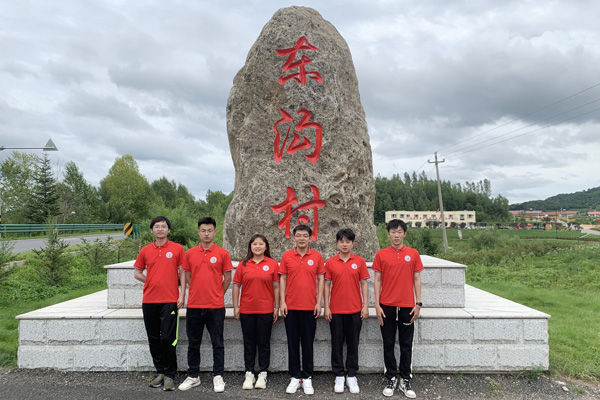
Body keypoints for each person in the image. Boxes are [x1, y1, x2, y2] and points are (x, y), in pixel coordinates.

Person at [178, 217, 233, 393]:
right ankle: (193, 376)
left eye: (210, 230)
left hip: (215, 306)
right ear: (198, 232)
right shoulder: (190, 253)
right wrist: (194, 290)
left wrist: (217, 293)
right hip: (194, 305)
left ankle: (218, 376)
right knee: (193, 343)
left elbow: (228, 278)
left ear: (215, 232)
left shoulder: (222, 253)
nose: (206, 233)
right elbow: (186, 275)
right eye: (203, 230)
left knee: (218, 343)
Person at [133, 216, 186, 391]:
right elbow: (137, 273)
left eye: (163, 226)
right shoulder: (145, 250)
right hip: (149, 301)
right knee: (154, 338)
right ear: (152, 230)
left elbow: (183, 273)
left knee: (169, 339)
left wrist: (182, 295)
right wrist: (151, 281)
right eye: (157, 226)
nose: (160, 229)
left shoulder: (177, 249)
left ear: (168, 230)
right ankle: (160, 372)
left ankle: (170, 374)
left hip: (170, 301)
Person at [374, 219, 423, 399]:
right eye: (393, 232)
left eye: (400, 232)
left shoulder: (413, 254)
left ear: (404, 234)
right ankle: (390, 378)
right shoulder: (381, 254)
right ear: (388, 234)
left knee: (406, 343)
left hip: (407, 305)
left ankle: (405, 379)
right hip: (386, 304)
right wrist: (376, 304)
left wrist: (418, 303)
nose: (396, 235)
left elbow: (417, 279)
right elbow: (377, 280)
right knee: (388, 342)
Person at [279, 224, 325, 395]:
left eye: (305, 235)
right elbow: (282, 279)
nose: (301, 238)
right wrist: (282, 302)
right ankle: (294, 377)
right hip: (290, 307)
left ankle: (307, 377)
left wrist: (319, 302)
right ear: (293, 238)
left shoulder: (317, 256)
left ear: (310, 238)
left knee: (307, 343)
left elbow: (321, 279)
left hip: (309, 307)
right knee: (292, 343)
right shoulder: (287, 256)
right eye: (298, 235)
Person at [324, 228, 369, 394]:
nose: (344, 244)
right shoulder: (330, 262)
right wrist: (326, 307)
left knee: (353, 343)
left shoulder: (359, 261)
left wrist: (365, 306)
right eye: (341, 241)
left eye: (348, 241)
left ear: (352, 243)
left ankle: (351, 375)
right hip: (336, 310)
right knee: (336, 344)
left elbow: (364, 283)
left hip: (355, 309)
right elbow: (326, 285)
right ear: (337, 243)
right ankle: (339, 375)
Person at [232, 234, 280, 390]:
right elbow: (236, 286)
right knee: (249, 343)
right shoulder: (243, 264)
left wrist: (276, 307)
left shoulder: (272, 264)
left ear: (266, 247)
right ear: (250, 247)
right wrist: (236, 306)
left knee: (264, 342)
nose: (257, 246)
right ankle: (249, 372)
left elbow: (276, 287)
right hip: (247, 309)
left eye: (260, 244)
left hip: (266, 310)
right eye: (254, 244)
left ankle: (263, 373)